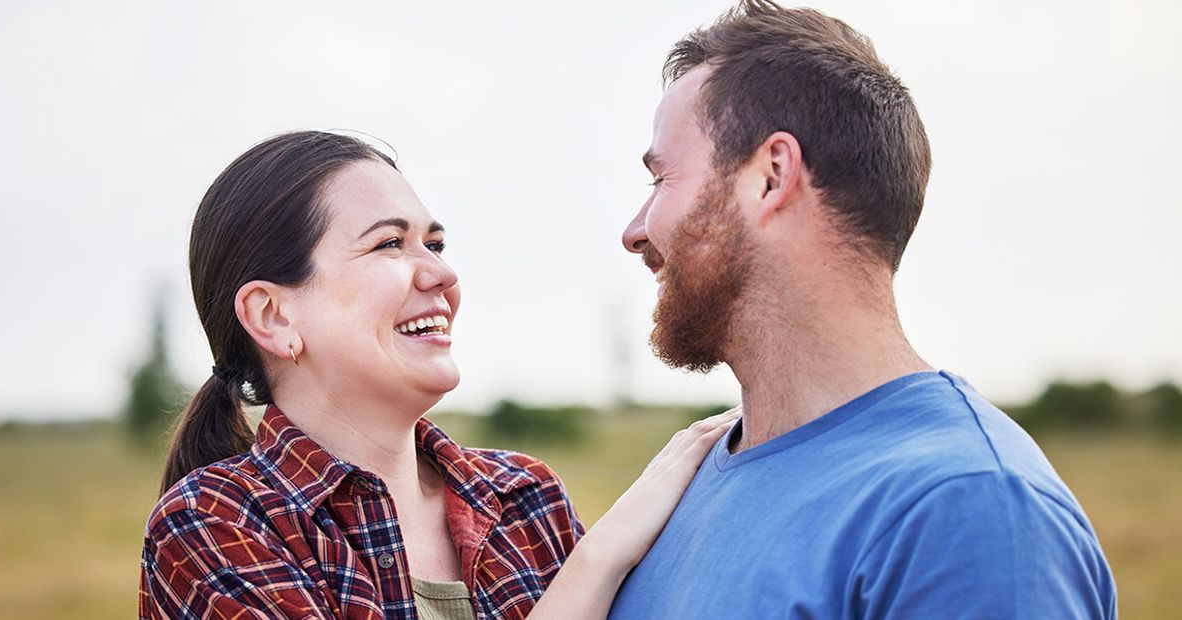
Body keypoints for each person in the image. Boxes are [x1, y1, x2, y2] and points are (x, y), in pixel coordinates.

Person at [609, 2, 1117, 618]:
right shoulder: (685, 480)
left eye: (660, 180)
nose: (635, 232)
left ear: (772, 176)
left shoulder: (969, 513)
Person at [138, 131, 738, 619]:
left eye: (436, 243)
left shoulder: (525, 499)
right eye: (389, 245)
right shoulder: (214, 526)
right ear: (273, 315)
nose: (441, 276)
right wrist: (599, 558)